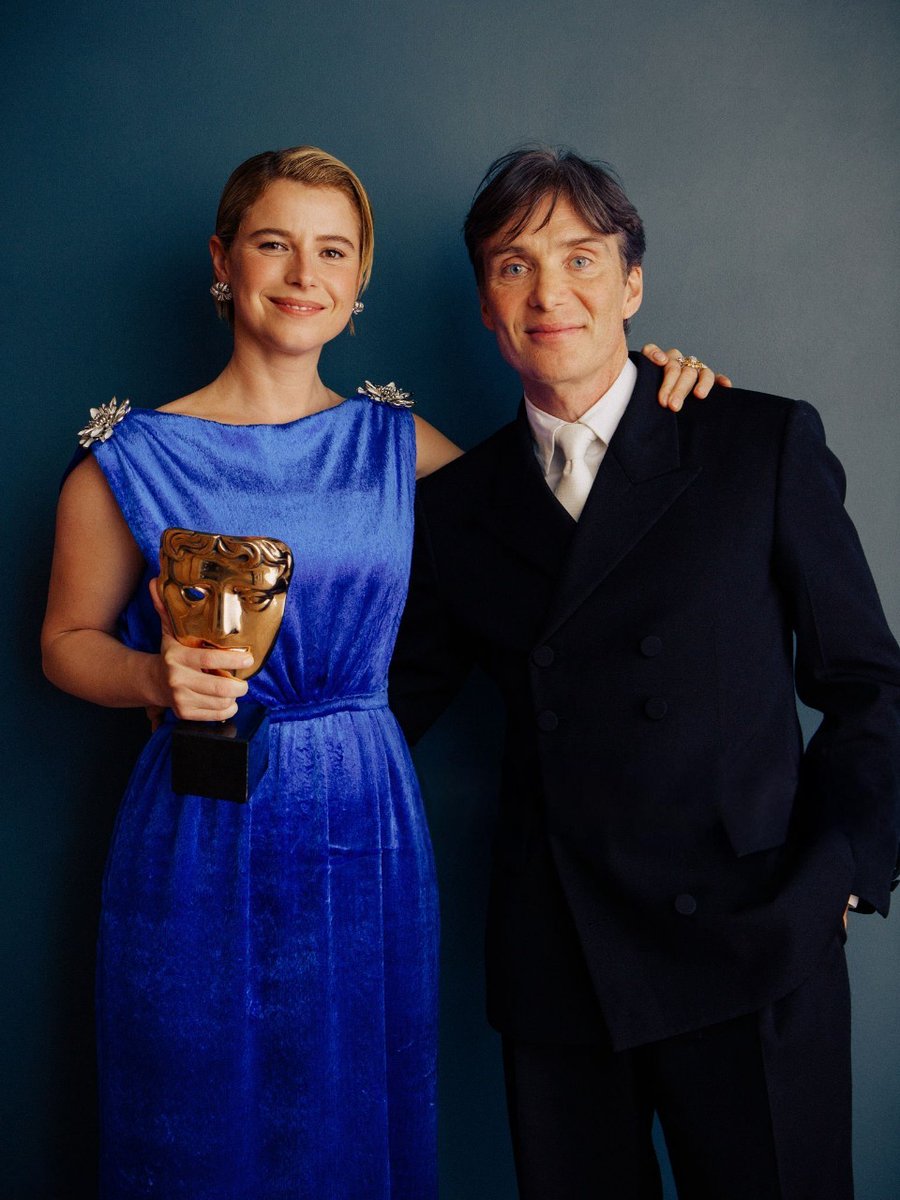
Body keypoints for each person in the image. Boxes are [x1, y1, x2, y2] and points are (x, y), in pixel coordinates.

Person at [40, 143, 716, 1199]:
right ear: (225, 262)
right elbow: (65, 642)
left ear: (360, 287)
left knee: (351, 1096)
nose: (304, 272)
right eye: (275, 244)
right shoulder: (128, 456)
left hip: (362, 809)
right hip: (197, 814)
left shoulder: (400, 447)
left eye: (333, 251)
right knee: (194, 1092)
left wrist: (655, 389)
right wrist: (150, 681)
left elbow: (574, 535)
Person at [389, 146, 900, 1199]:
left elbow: (868, 684)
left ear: (632, 283)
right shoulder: (459, 505)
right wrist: (220, 708)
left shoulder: (757, 441)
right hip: (559, 962)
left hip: (754, 941)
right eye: (513, 265)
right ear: (485, 304)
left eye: (581, 257)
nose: (550, 292)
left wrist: (843, 870)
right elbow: (385, 707)